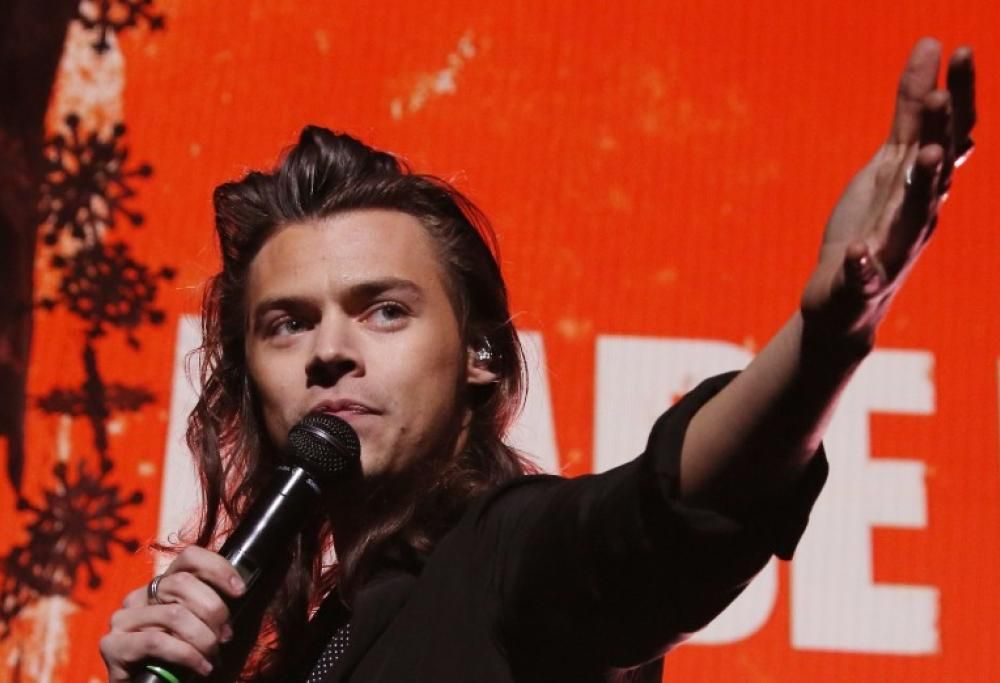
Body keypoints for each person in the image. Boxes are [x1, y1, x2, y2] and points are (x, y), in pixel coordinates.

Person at [100, 38, 976, 682]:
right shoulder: (307, 637)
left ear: (481, 353)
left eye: (386, 311)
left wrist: (828, 336)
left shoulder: (507, 559)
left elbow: (663, 515)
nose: (330, 351)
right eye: (287, 324)